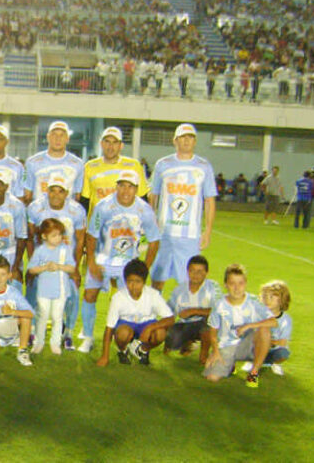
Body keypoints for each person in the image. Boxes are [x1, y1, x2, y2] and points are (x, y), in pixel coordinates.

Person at [80, 170, 160, 353]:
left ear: (137, 189)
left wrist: (144, 268)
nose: (125, 190)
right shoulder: (103, 206)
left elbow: (155, 241)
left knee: (130, 303)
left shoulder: (144, 210)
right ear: (116, 186)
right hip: (103, 259)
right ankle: (88, 337)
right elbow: (91, 235)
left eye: (130, 186)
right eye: (122, 185)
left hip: (128, 264)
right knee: (90, 295)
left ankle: (127, 340)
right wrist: (91, 262)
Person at [148, 124, 217, 291]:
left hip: (190, 236)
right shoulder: (163, 164)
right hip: (164, 234)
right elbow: (153, 196)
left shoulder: (204, 166)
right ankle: (154, 315)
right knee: (157, 279)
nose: (187, 140)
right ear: (175, 141)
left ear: (195, 141)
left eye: (190, 137)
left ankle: (188, 316)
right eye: (183, 137)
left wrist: (207, 231)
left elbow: (209, 200)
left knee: (189, 283)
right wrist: (151, 224)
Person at [26, 174, 86, 350]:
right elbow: (30, 238)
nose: (56, 195)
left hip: (65, 261)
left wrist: (75, 269)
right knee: (34, 296)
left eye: (61, 191)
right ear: (47, 191)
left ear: (67, 192)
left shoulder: (77, 210)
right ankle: (31, 331)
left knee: (72, 297)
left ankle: (67, 333)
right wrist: (32, 265)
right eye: (52, 190)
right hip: (42, 262)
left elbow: (80, 240)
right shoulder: (35, 208)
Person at [204, 264, 276, 388]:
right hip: (227, 346)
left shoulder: (253, 301)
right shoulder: (219, 304)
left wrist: (249, 326)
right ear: (225, 285)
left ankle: (254, 372)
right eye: (232, 283)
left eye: (240, 283)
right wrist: (215, 352)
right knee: (212, 378)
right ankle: (230, 365)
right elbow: (213, 331)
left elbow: (273, 321)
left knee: (264, 330)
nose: (237, 288)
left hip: (248, 345)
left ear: (245, 284)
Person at [96, 259, 175, 367]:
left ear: (144, 282)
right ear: (125, 281)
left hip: (146, 324)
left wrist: (150, 328)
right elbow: (109, 328)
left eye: (137, 281)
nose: (133, 286)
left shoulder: (153, 295)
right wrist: (104, 356)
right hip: (126, 325)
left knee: (160, 333)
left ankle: (142, 351)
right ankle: (123, 351)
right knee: (123, 333)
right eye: (129, 281)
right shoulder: (118, 298)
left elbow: (170, 318)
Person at [27, 218, 77, 355]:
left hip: (61, 290)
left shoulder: (65, 249)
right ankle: (38, 342)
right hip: (43, 290)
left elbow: (72, 268)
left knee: (57, 317)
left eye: (60, 235)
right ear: (44, 236)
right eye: (54, 235)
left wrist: (59, 266)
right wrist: (44, 267)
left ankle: (55, 343)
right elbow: (31, 269)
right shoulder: (40, 251)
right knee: (42, 315)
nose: (58, 238)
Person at [163, 255, 222, 363]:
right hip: (185, 324)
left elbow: (219, 310)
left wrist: (194, 311)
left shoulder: (213, 287)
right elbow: (168, 312)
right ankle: (188, 342)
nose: (195, 275)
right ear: (187, 271)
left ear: (206, 273)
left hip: (204, 322)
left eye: (200, 271)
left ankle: (203, 356)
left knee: (209, 326)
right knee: (173, 341)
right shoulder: (179, 289)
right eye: (192, 271)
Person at [81, 126, 149, 215]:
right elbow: (85, 200)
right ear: (101, 144)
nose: (110, 147)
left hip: (126, 223)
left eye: (115, 142)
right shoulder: (89, 166)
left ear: (121, 145)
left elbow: (142, 198)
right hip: (98, 224)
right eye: (107, 142)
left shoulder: (134, 166)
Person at [23, 120, 84, 203]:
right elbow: (27, 194)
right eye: (54, 134)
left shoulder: (78, 164)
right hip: (40, 213)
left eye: (62, 135)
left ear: (67, 139)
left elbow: (77, 196)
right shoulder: (32, 162)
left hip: (66, 214)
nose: (58, 138)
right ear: (48, 137)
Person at [241, 280, 292, 376]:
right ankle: (252, 362)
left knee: (283, 353)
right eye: (264, 297)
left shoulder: (286, 320)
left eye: (271, 297)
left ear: (282, 299)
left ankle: (273, 363)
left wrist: (268, 342)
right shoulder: (257, 314)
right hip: (255, 347)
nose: (267, 300)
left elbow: (283, 342)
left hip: (273, 348)